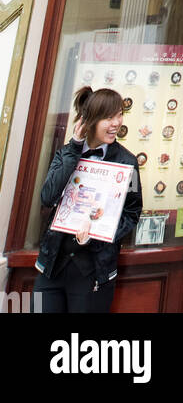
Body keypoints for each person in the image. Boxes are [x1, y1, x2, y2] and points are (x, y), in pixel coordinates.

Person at [34, 85, 142, 313]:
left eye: (120, 115)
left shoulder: (127, 163)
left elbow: (132, 213)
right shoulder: (66, 153)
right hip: (52, 267)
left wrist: (97, 233)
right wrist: (74, 147)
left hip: (94, 270)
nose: (117, 123)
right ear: (89, 120)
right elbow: (47, 196)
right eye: (109, 117)